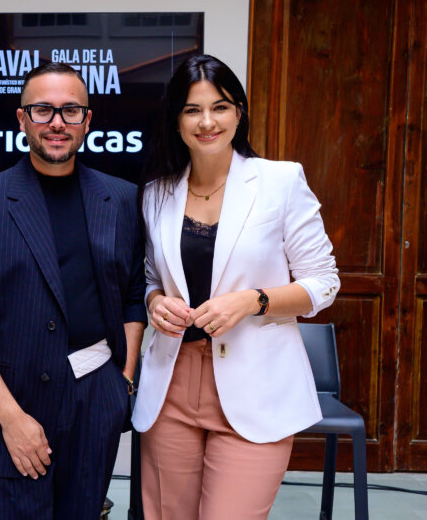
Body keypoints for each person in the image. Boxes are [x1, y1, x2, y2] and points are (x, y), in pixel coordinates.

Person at [0, 62, 146, 520]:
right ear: (21, 118)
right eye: (43, 109)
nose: (56, 122)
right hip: (6, 407)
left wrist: (122, 382)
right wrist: (11, 418)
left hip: (94, 404)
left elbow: (132, 294)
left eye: (70, 111)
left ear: (88, 120)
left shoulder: (122, 199)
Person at [132, 53, 340, 520]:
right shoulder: (156, 191)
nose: (208, 121)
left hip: (256, 386)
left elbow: (324, 283)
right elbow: (150, 275)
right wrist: (154, 301)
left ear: (239, 111)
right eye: (192, 110)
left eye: (220, 106)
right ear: (176, 120)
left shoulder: (280, 181)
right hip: (172, 385)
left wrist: (254, 300)